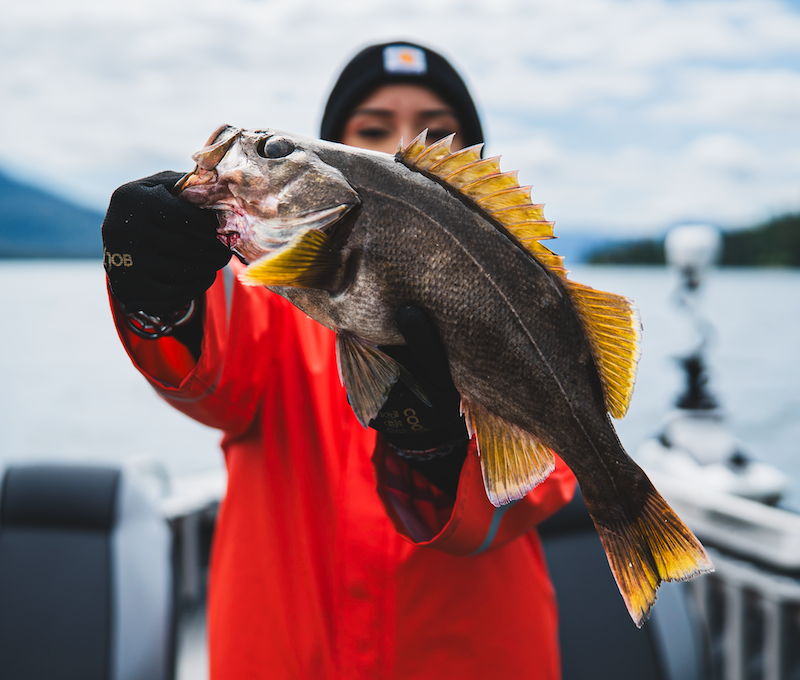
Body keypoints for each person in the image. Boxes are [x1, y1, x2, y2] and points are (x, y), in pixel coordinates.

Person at [102, 42, 576, 680]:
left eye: (438, 132)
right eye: (372, 130)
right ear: (337, 164)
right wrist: (162, 294)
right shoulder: (267, 296)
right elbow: (206, 371)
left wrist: (440, 461)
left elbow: (542, 481)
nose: (402, 146)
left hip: (476, 653)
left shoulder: (521, 300)